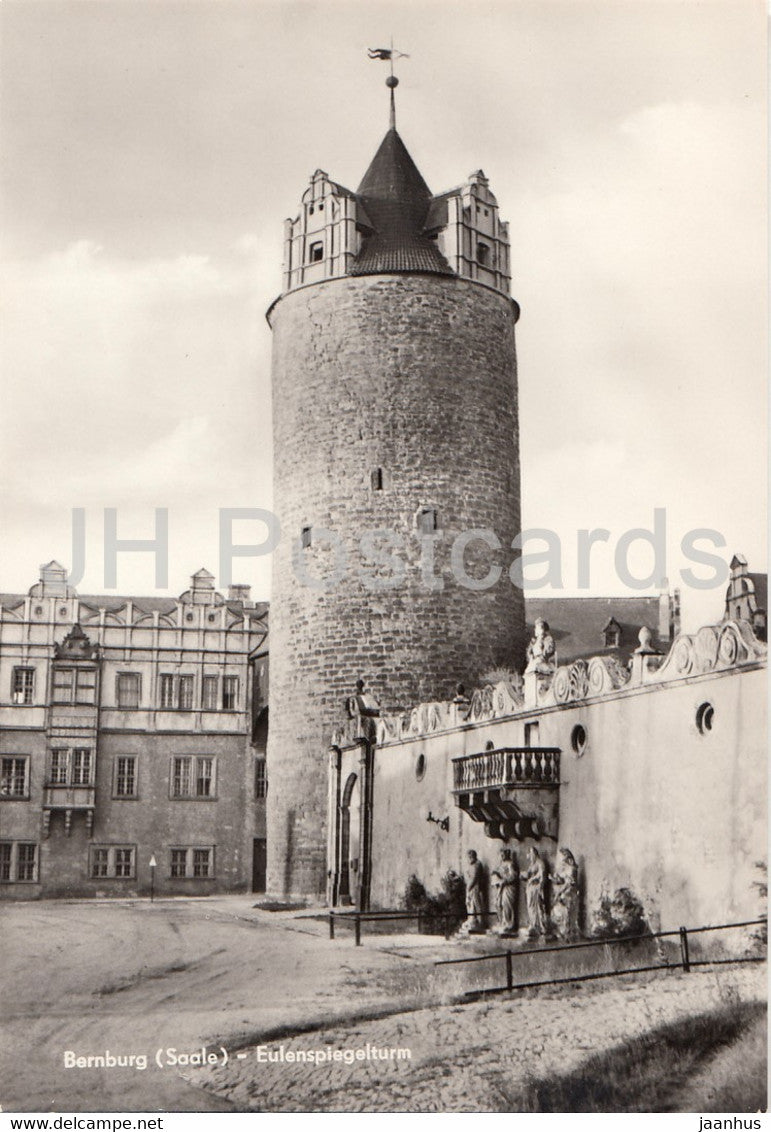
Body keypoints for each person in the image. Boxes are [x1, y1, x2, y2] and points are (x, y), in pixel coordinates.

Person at [551, 848, 580, 941]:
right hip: (566, 892)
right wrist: (555, 879)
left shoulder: (572, 869)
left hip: (570, 893)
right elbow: (562, 880)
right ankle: (563, 931)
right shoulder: (566, 868)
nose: (562, 860)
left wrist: (559, 892)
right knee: (559, 910)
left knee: (567, 913)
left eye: (563, 857)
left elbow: (568, 883)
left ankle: (568, 933)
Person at [522, 846, 548, 938]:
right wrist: (524, 875)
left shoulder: (540, 863)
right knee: (530, 906)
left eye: (531, 854)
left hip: (536, 888)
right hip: (530, 888)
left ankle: (539, 926)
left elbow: (542, 874)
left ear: (534, 854)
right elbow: (528, 874)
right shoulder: (532, 865)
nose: (530, 857)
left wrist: (536, 880)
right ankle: (533, 924)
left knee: (537, 906)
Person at [491, 848, 518, 936]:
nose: (501, 856)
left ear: (507, 854)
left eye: (503, 855)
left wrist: (505, 880)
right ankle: (502, 922)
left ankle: (509, 923)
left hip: (508, 888)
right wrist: (495, 876)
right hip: (501, 887)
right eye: (500, 855)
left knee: (507, 905)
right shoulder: (501, 864)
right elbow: (498, 873)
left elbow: (513, 875)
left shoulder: (510, 864)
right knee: (498, 904)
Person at [464, 850, 485, 934]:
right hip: (471, 887)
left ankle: (478, 922)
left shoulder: (477, 865)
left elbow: (474, 878)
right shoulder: (472, 865)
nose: (468, 859)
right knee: (470, 904)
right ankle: (472, 919)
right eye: (468, 857)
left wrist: (468, 888)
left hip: (475, 887)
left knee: (476, 904)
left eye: (470, 857)